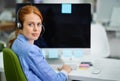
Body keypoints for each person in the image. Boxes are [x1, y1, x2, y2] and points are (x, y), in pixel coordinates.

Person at [9, 5, 72, 81]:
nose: (36, 29)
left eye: (38, 24)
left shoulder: (16, 42)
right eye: (30, 24)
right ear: (20, 26)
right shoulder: (30, 50)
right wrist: (65, 70)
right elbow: (55, 80)